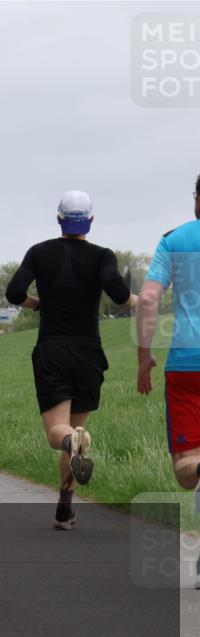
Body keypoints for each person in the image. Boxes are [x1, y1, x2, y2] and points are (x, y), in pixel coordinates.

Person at [6, 191, 136, 530]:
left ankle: (70, 444)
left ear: (59, 219)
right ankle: (64, 511)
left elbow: (13, 292)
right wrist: (141, 299)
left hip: (53, 351)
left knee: (59, 434)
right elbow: (119, 294)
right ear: (90, 221)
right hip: (89, 354)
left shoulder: (39, 252)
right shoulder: (103, 256)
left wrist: (37, 304)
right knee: (77, 429)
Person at [136, 175, 200, 523]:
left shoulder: (173, 240)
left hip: (187, 365)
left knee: (187, 466)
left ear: (198, 199)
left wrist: (144, 357)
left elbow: (147, 298)